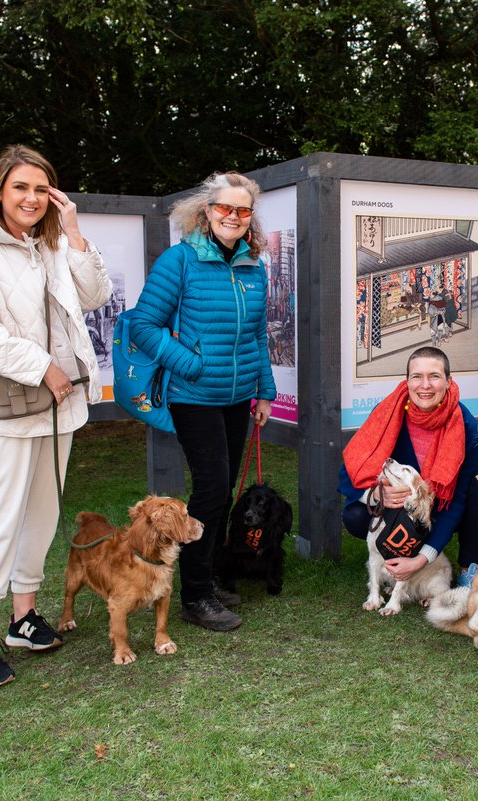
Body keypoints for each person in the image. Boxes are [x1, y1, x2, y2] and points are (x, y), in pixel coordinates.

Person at [0, 145, 112, 688]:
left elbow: (95, 294)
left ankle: (23, 618)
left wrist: (74, 231)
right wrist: (42, 367)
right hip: (4, 406)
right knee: (0, 516)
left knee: (41, 512)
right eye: (21, 188)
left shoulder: (52, 244)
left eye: (42, 189)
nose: (32, 199)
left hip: (57, 405)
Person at [127, 171, 275, 632]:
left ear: (250, 218)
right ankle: (194, 595)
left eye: (242, 210)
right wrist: (189, 364)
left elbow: (256, 335)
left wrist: (263, 389)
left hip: (236, 397)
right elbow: (143, 326)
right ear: (206, 212)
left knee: (224, 489)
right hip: (194, 395)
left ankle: (206, 574)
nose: (233, 217)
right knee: (211, 489)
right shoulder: (181, 261)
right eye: (224, 208)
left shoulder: (254, 266)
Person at [341, 347, 478, 588]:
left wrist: (423, 559)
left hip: (442, 504)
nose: (425, 385)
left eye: (434, 376)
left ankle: (469, 567)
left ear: (448, 381)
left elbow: (455, 501)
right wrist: (375, 495)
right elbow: (347, 472)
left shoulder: (464, 424)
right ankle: (389, 553)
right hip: (401, 505)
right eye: (417, 377)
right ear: (407, 382)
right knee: (355, 515)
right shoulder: (386, 413)